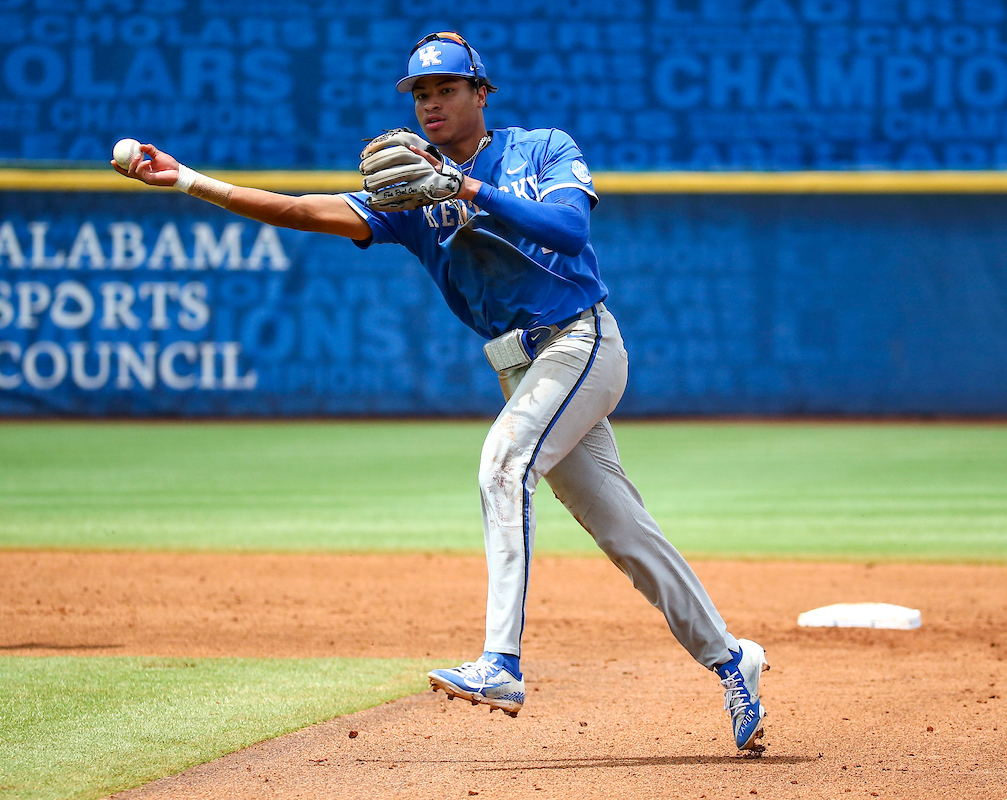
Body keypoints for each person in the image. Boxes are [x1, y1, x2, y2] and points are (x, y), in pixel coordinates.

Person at [113, 31, 769, 753]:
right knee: (624, 531)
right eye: (421, 93)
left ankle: (501, 664)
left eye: (447, 89)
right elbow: (301, 210)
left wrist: (467, 188)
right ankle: (731, 658)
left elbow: (570, 229)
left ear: (481, 93)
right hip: (520, 367)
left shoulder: (541, 149)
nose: (431, 103)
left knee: (503, 466)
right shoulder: (407, 192)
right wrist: (188, 179)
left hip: (579, 342)